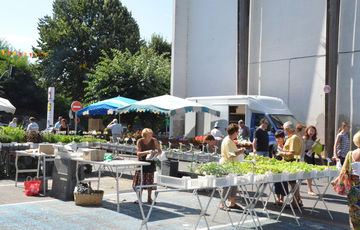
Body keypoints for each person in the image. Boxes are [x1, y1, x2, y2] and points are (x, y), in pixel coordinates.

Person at [331, 131, 360, 229]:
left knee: (354, 212)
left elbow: (344, 170)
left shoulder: (350, 154)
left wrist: (336, 180)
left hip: (353, 187)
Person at [219, 123, 246, 211]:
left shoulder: (229, 140)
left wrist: (239, 150)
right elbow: (231, 155)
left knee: (234, 185)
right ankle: (222, 204)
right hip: (227, 166)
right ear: (234, 132)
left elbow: (232, 152)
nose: (237, 134)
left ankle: (232, 203)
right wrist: (241, 151)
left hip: (232, 166)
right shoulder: (227, 141)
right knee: (227, 185)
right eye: (237, 132)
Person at [133, 128, 161, 204]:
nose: (150, 137)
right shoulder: (140, 141)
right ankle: (139, 198)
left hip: (151, 162)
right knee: (140, 181)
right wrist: (147, 152)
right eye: (148, 135)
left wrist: (156, 154)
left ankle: (149, 198)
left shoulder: (154, 140)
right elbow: (138, 153)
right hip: (141, 162)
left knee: (150, 181)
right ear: (144, 135)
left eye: (151, 135)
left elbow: (159, 151)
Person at [278, 121, 303, 207]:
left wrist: (282, 153)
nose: (284, 132)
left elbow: (292, 152)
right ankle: (298, 200)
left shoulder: (293, 138)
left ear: (288, 129)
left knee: (292, 183)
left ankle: (295, 202)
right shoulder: (294, 137)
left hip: (291, 161)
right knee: (293, 182)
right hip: (293, 160)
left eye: (285, 130)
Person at [272, 131, 289, 206]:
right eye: (277, 139)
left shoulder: (286, 145)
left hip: (284, 165)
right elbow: (273, 156)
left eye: (280, 138)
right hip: (276, 165)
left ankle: (282, 199)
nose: (278, 140)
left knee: (284, 182)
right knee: (277, 183)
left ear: (283, 138)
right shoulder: (274, 146)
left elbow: (287, 155)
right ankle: (278, 199)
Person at [303, 125, 318, 196]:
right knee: (307, 173)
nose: (311, 132)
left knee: (310, 173)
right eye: (310, 130)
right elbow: (304, 149)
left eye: (313, 131)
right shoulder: (305, 138)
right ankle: (310, 189)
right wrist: (312, 147)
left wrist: (317, 146)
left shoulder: (314, 139)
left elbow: (316, 150)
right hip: (305, 157)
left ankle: (310, 189)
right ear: (307, 131)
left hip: (311, 157)